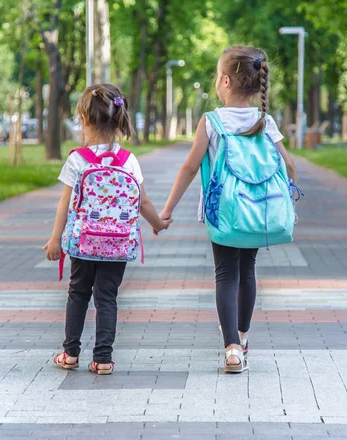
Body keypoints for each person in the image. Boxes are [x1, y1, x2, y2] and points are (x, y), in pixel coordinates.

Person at [159, 46, 298, 373]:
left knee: (225, 274)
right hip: (258, 212)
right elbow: (288, 164)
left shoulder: (211, 121)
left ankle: (231, 347)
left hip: (224, 211)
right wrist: (285, 198)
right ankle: (243, 337)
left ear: (224, 80)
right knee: (247, 271)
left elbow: (190, 168)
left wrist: (166, 211)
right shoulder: (265, 120)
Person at [43, 84, 172, 374]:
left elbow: (65, 204)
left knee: (78, 293)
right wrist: (158, 224)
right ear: (118, 119)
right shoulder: (129, 161)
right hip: (117, 245)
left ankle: (70, 353)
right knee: (107, 297)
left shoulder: (77, 159)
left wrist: (55, 240)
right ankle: (103, 358)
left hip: (83, 242)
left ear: (83, 119)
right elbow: (143, 201)